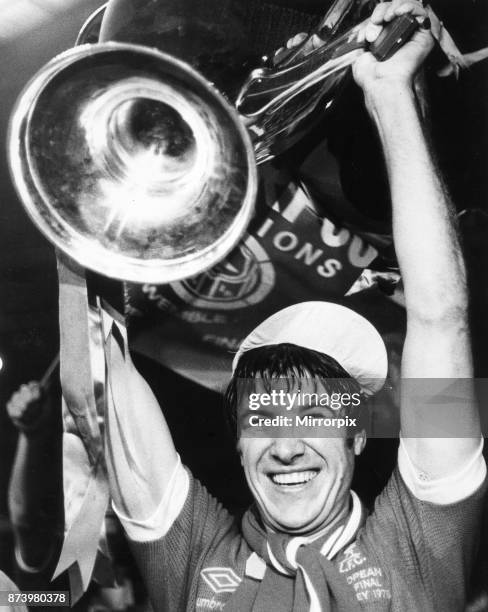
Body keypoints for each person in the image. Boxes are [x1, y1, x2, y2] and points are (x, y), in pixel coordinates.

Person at [96, 1, 486, 610]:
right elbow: (102, 373)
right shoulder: (191, 561)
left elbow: (440, 318)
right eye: (263, 415)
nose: (286, 444)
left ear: (358, 434)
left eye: (314, 412)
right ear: (237, 440)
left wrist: (389, 94)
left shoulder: (424, 546)